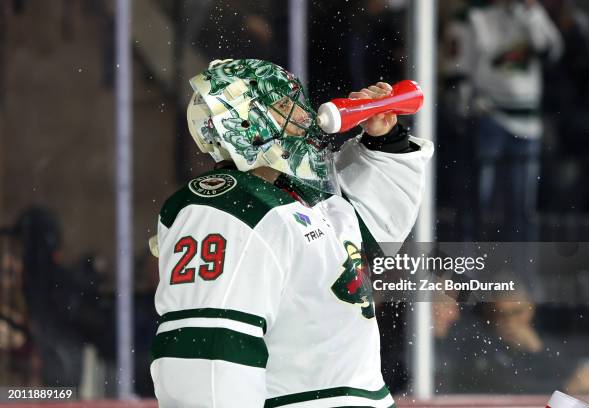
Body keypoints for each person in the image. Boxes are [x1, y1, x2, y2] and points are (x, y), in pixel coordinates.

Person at [149, 58, 433, 407]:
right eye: (285, 105)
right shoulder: (228, 205)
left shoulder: (313, 201)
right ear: (244, 123)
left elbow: (380, 230)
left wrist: (385, 138)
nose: (305, 117)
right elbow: (207, 357)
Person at [457, 0, 563, 240]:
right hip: (490, 115)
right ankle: (473, 267)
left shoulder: (532, 14)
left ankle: (521, 272)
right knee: (480, 201)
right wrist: (468, 108)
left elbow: (550, 49)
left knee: (522, 205)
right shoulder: (478, 16)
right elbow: (465, 67)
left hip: (527, 121)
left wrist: (531, 13)